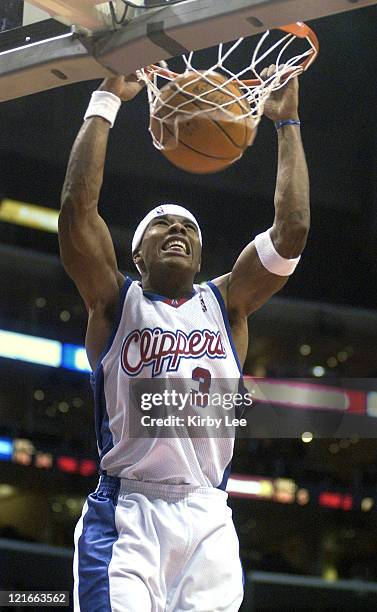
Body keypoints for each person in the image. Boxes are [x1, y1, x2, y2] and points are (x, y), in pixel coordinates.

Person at [58, 65, 310, 612]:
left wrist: (286, 122)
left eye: (188, 228)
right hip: (129, 516)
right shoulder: (113, 301)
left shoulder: (227, 304)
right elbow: (77, 213)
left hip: (209, 520)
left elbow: (291, 234)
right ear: (136, 254)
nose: (177, 229)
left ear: (198, 255)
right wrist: (106, 101)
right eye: (162, 224)